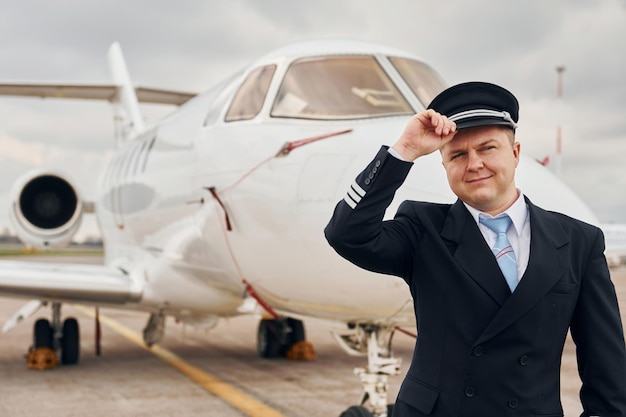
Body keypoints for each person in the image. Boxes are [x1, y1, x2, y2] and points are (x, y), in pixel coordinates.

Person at [324, 81, 626, 417]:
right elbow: (346, 234)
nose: (474, 164)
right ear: (444, 166)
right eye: (458, 154)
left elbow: (605, 363)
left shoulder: (578, 242)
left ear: (515, 153)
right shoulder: (423, 229)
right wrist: (403, 150)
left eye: (487, 148)